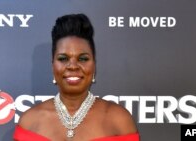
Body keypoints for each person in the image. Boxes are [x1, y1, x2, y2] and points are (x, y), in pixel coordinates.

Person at [13, 13, 139, 141]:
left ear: (94, 65)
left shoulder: (118, 120)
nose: (73, 66)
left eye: (83, 58)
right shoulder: (29, 122)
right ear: (53, 66)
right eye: (63, 58)